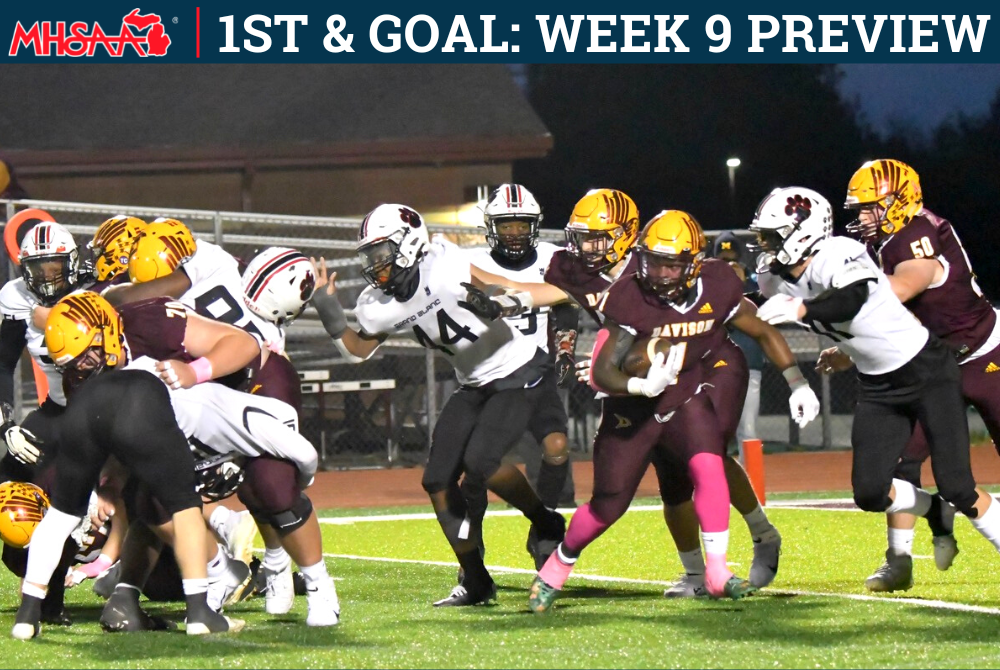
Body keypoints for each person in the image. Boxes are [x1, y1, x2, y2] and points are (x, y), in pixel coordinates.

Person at [470, 189, 785, 599]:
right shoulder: (577, 270)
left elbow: (719, 292)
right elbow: (531, 290)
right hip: (636, 370)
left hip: (700, 361)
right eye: (582, 236)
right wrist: (477, 286)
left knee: (709, 457)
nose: (585, 247)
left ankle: (759, 536)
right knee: (670, 480)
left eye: (596, 237)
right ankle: (695, 574)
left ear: (624, 235)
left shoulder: (655, 257)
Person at [526, 209, 818, 612]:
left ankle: (716, 572)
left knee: (709, 462)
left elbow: (761, 330)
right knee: (608, 505)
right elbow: (600, 371)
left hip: (686, 391)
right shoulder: (629, 294)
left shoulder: (717, 282)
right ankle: (556, 568)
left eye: (672, 264)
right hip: (632, 406)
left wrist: (797, 382)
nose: (661, 274)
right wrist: (640, 383)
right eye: (654, 262)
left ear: (694, 264)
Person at [310, 203, 566, 607]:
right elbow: (357, 352)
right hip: (473, 383)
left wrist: (509, 300)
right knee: (436, 480)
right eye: (369, 256)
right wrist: (332, 320)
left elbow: (500, 285)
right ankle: (478, 582)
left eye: (381, 253)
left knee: (481, 464)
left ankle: (546, 521)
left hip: (517, 371)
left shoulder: (444, 264)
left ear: (410, 244)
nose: (375, 266)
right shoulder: (377, 304)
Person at [752, 186, 1000, 575]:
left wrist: (802, 306)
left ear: (802, 230)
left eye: (772, 235)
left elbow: (853, 299)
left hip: (928, 372)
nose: (765, 246)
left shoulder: (839, 253)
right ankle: (936, 513)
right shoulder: (774, 278)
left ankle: (950, 517)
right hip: (878, 387)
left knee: (958, 486)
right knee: (869, 492)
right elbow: (747, 306)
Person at [12, 293, 242, 639]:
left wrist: (110, 481)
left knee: (60, 514)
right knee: (184, 506)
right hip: (140, 401)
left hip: (82, 414)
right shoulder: (140, 346)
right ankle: (199, 612)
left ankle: (27, 615)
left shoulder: (73, 380)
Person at [837, 159, 1000, 591]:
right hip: (930, 369)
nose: (863, 218)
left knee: (959, 479)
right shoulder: (883, 242)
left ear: (897, 201)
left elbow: (905, 287)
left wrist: (836, 290)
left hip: (985, 355)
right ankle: (900, 560)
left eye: (871, 207)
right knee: (901, 462)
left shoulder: (918, 233)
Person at [468, 184, 576, 567]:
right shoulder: (474, 263)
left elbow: (568, 303)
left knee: (557, 446)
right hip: (492, 375)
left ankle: (544, 527)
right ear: (491, 226)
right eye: (507, 225)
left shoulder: (553, 258)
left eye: (521, 224)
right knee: (478, 469)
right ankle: (473, 549)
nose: (514, 233)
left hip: (538, 370)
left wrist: (565, 345)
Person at [711, 231, 766, 448]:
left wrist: (742, 286)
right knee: (710, 429)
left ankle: (751, 481)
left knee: (748, 430)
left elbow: (765, 312)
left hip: (748, 364)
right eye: (723, 259)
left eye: (732, 258)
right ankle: (712, 481)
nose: (728, 264)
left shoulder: (755, 281)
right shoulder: (705, 283)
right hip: (714, 366)